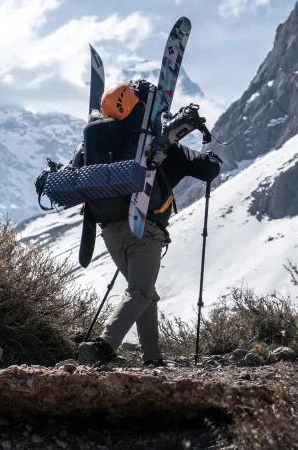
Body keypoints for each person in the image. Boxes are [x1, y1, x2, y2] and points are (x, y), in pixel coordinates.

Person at [74, 81, 221, 368]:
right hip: (144, 229)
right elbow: (208, 169)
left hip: (109, 231)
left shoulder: (97, 146)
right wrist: (211, 155)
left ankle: (153, 357)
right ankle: (104, 345)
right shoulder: (163, 147)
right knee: (141, 291)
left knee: (144, 292)